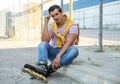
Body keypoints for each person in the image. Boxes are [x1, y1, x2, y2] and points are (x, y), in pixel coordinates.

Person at [36, 4, 79, 77]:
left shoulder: (73, 25)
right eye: (53, 16)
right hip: (54, 52)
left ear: (62, 13)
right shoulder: (52, 26)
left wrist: (58, 56)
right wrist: (46, 24)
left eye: (57, 14)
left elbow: (68, 43)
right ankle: (42, 67)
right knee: (42, 44)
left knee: (74, 50)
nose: (55, 17)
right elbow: (44, 40)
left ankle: (49, 69)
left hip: (66, 55)